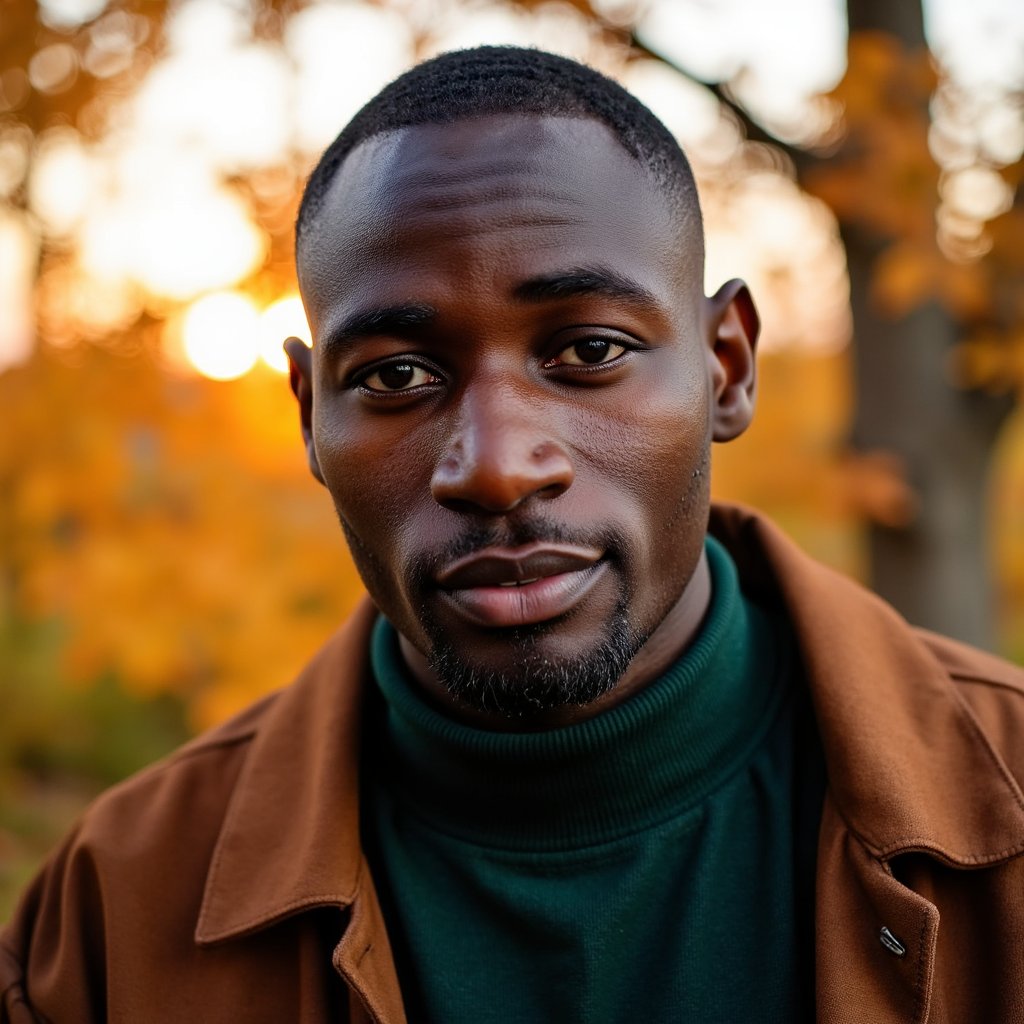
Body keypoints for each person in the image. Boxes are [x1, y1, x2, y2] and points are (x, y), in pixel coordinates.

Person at [3, 45, 1023, 1024]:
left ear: (726, 368)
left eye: (588, 349)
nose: (494, 465)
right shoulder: (114, 911)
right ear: (310, 413)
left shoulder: (1010, 795)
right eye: (396, 376)